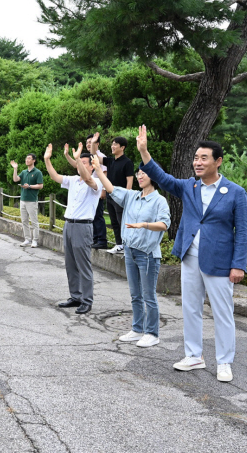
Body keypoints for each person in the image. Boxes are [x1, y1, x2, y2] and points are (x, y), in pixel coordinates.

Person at [135, 125, 247, 382]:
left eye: (203, 158)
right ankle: (194, 355)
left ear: (218, 161)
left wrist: (238, 265)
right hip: (190, 257)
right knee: (191, 308)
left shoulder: (235, 192)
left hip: (220, 261)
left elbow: (242, 232)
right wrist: (144, 152)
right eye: (196, 158)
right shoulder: (190, 187)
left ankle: (224, 362)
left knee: (222, 312)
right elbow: (163, 179)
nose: (198, 162)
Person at [91, 149, 170, 348]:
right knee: (135, 295)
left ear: (155, 175)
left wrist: (145, 225)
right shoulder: (132, 196)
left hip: (148, 254)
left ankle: (152, 333)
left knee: (149, 296)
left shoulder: (159, 200)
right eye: (139, 172)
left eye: (144, 172)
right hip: (130, 251)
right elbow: (110, 188)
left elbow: (164, 224)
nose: (140, 175)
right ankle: (137, 329)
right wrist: (98, 170)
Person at [44, 142, 103, 315]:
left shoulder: (96, 182)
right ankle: (75, 297)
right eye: (79, 163)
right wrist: (47, 160)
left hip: (83, 227)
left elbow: (87, 178)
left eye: (84, 163)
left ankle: (87, 300)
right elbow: (55, 176)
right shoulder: (72, 181)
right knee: (70, 264)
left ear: (92, 166)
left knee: (83, 265)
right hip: (69, 224)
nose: (80, 166)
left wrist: (77, 159)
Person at [65, 133, 109, 249]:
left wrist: (103, 190)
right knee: (92, 217)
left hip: (96, 189)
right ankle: (94, 239)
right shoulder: (86, 157)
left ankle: (102, 240)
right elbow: (76, 165)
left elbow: (104, 173)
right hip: (88, 190)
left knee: (98, 216)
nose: (88, 144)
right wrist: (67, 155)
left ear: (97, 143)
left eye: (91, 142)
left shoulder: (99, 156)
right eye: (87, 142)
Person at [103, 136, 135, 254]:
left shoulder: (127, 162)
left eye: (115, 144)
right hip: (110, 195)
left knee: (122, 221)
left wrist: (127, 197)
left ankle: (127, 246)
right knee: (114, 222)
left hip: (121, 197)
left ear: (122, 147)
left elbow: (129, 181)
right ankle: (119, 244)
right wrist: (95, 142)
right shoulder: (110, 161)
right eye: (112, 144)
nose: (112, 146)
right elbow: (95, 157)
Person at [11, 154, 44, 248]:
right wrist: (15, 169)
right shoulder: (24, 172)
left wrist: (29, 186)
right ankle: (27, 239)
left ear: (34, 160)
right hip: (23, 200)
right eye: (26, 158)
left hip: (32, 200)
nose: (27, 160)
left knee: (34, 221)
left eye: (29, 158)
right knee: (24, 220)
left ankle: (35, 240)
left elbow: (40, 186)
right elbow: (15, 179)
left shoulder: (37, 172)